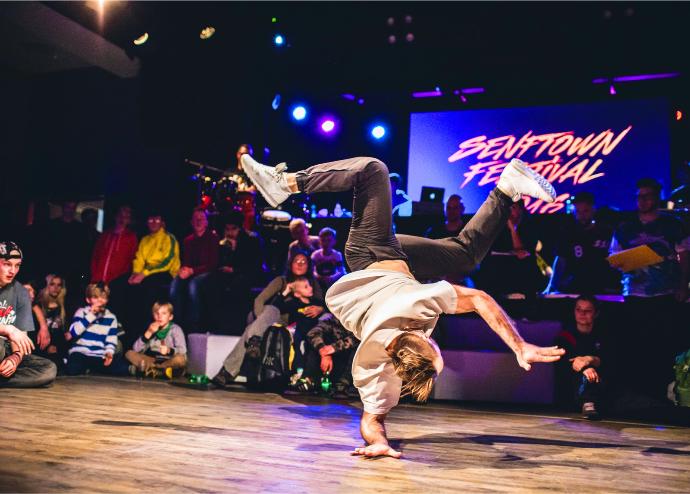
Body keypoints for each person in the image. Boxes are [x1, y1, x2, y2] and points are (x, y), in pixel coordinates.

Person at [241, 154, 564, 458]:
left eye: (433, 346)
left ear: (418, 336)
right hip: (404, 263)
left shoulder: (415, 304)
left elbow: (480, 299)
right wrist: (379, 443)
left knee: (373, 170)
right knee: (465, 255)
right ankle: (507, 187)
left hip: (369, 253)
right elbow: (371, 421)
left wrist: (519, 346)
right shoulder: (383, 370)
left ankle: (284, 183)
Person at [609, 178, 690, 399]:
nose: (642, 201)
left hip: (665, 292)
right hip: (635, 293)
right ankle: (639, 394)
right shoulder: (625, 227)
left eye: (647, 196)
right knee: (637, 344)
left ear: (656, 197)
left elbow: (685, 256)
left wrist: (683, 284)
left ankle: (666, 391)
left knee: (663, 343)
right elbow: (614, 257)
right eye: (639, 197)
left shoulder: (672, 224)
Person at [212, 251, 325, 386]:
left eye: (303, 262)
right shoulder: (281, 281)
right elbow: (259, 300)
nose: (300, 264)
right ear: (290, 264)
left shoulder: (312, 285)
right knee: (271, 310)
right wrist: (262, 320)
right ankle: (254, 340)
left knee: (250, 330)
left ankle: (227, 371)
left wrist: (320, 309)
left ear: (308, 265)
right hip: (266, 316)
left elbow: (322, 303)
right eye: (296, 261)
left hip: (287, 324)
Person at [0, 241, 57, 388]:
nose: (12, 270)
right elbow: (12, 332)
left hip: (7, 350)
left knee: (48, 370)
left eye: (17, 265)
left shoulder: (21, 292)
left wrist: (15, 358)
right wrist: (7, 329)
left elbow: (21, 336)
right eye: (7, 264)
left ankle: (3, 377)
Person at [545, 192, 619, 295]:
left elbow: (616, 257)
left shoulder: (606, 232)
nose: (582, 215)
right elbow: (561, 260)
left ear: (593, 210)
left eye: (585, 211)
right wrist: (552, 285)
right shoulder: (568, 233)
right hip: (574, 287)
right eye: (578, 211)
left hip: (602, 287)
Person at [128, 211, 180, 335]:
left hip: (165, 273)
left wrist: (144, 274)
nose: (153, 223)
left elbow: (167, 262)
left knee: (148, 288)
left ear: (162, 223)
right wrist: (135, 273)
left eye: (157, 220)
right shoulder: (145, 240)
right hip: (146, 273)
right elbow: (139, 258)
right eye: (151, 220)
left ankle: (149, 329)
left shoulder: (169, 238)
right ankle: (129, 329)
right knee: (125, 285)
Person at [554, 295, 605, 419]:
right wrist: (585, 368)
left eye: (588, 310)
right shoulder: (565, 337)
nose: (582, 313)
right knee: (585, 372)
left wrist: (590, 360)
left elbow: (608, 359)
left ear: (596, 313)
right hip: (572, 388)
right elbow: (566, 363)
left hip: (601, 385)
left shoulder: (603, 335)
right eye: (578, 309)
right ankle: (588, 402)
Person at [90, 205, 138, 337]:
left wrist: (121, 279)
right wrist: (94, 275)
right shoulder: (105, 234)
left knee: (113, 312)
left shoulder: (131, 237)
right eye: (121, 215)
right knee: (95, 310)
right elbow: (96, 255)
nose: (123, 218)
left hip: (117, 282)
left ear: (130, 220)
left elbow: (132, 259)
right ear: (116, 216)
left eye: (126, 216)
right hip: (98, 280)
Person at [213, 210, 265, 331]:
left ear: (239, 228)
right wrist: (227, 250)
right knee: (214, 283)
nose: (230, 232)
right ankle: (218, 324)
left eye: (233, 229)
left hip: (248, 274)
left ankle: (237, 326)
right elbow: (220, 263)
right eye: (227, 229)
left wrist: (234, 268)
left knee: (237, 286)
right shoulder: (223, 242)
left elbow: (254, 265)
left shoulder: (251, 240)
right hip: (229, 274)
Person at [170, 208, 219, 331]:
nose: (198, 221)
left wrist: (192, 271)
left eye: (201, 219)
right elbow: (186, 261)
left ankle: (194, 324)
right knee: (174, 285)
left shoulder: (213, 238)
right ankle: (176, 324)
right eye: (195, 219)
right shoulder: (188, 240)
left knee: (193, 285)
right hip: (191, 271)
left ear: (206, 222)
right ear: (191, 222)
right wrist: (183, 270)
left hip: (207, 272)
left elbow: (212, 264)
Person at [65, 283, 129, 376]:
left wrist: (109, 353)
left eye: (103, 297)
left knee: (122, 368)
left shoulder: (111, 317)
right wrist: (91, 315)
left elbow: (111, 340)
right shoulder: (81, 312)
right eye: (95, 297)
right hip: (81, 352)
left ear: (107, 300)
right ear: (88, 299)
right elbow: (74, 332)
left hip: (99, 355)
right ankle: (87, 368)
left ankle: (92, 369)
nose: (100, 300)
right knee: (73, 368)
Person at [125, 301, 187, 378]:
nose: (159, 316)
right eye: (157, 313)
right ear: (153, 315)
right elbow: (136, 349)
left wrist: (169, 350)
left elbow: (182, 350)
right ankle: (159, 371)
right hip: (154, 360)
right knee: (129, 353)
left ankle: (151, 370)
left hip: (169, 360)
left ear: (170, 317)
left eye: (164, 313)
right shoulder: (152, 328)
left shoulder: (176, 329)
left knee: (180, 360)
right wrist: (148, 333)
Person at [301, 315, 358, 396]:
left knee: (357, 349)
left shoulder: (359, 321)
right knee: (317, 343)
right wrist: (323, 351)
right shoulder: (332, 320)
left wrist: (334, 348)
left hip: (347, 363)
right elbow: (313, 333)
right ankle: (310, 379)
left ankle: (343, 384)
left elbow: (358, 339)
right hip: (330, 362)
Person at [36, 274, 69, 368]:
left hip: (59, 349)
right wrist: (47, 347)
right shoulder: (38, 306)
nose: (56, 288)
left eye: (59, 285)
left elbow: (63, 333)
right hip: (41, 347)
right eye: (52, 284)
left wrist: (57, 347)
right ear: (46, 286)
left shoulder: (64, 306)